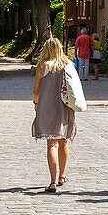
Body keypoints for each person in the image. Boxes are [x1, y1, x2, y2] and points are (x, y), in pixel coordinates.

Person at [32, 37, 79, 192]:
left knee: (51, 144)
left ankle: (52, 181)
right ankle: (62, 176)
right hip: (64, 106)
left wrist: (36, 103)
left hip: (47, 107)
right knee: (63, 141)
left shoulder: (42, 66)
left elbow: (36, 90)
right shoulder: (67, 65)